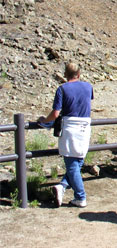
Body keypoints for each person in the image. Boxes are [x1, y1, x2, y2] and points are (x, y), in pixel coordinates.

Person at [38, 63, 94, 208]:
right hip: (85, 126)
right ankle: (62, 187)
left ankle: (80, 197)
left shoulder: (62, 89)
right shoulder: (88, 87)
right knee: (79, 161)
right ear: (79, 74)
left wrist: (44, 120)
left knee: (72, 165)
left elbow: (56, 113)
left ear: (65, 74)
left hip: (70, 127)